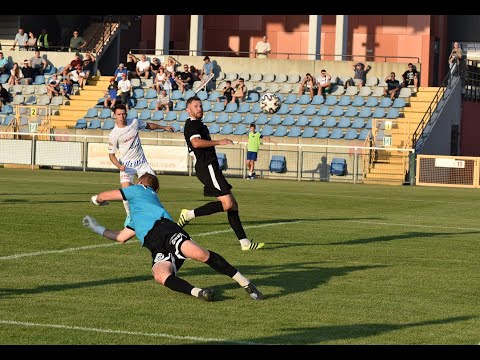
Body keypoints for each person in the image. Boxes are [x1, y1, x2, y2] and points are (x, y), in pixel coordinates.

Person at [82, 173, 263, 302]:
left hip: (165, 231)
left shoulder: (140, 189)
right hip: (157, 246)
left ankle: (245, 283)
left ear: (141, 183)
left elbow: (105, 195)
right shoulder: (138, 213)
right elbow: (121, 237)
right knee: (160, 275)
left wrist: (96, 200)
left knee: (200, 254)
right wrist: (97, 228)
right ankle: (200, 293)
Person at [177, 96, 264, 251]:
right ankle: (188, 214)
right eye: (196, 106)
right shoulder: (192, 124)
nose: (200, 108)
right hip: (206, 167)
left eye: (201, 106)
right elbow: (196, 143)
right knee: (228, 203)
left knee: (233, 205)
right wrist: (219, 142)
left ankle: (245, 243)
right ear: (188, 109)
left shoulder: (199, 124)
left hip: (211, 167)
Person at [108, 104, 174, 217]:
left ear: (126, 114)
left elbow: (148, 125)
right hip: (126, 166)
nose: (121, 116)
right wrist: (119, 166)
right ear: (114, 115)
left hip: (142, 163)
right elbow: (111, 155)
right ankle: (130, 216)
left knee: (154, 188)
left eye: (123, 114)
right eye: (119, 114)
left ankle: (156, 214)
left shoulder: (134, 122)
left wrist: (164, 128)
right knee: (126, 195)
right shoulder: (114, 134)